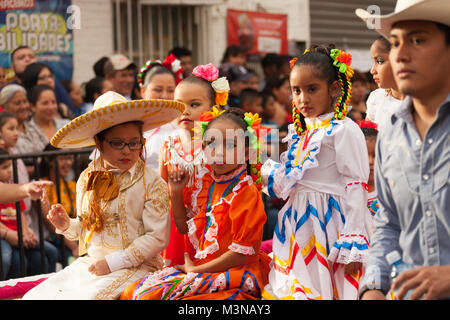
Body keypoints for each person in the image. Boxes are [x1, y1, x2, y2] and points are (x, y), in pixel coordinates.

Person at [22, 90, 184, 299]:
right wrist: (64, 225)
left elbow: (156, 238)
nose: (127, 150)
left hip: (137, 268)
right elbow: (85, 228)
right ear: (99, 143)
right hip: (91, 265)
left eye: (134, 143)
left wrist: (112, 263)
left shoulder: (152, 183)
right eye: (118, 143)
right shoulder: (86, 177)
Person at [121, 108, 270, 300]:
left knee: (148, 297)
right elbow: (183, 227)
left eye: (231, 145)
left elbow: (240, 254)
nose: (219, 152)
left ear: (248, 153)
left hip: (235, 273)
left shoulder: (245, 193)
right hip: (202, 269)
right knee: (130, 292)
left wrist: (196, 270)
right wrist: (175, 192)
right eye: (211, 143)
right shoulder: (205, 184)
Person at [355, 0, 450, 300]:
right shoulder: (391, 132)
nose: (402, 54)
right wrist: (372, 287)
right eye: (395, 43)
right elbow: (389, 223)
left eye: (418, 40)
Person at [261, 45, 370, 300]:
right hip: (298, 227)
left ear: (334, 89)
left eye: (312, 89)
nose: (302, 99)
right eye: (296, 91)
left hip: (330, 226)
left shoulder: (344, 129)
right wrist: (260, 169)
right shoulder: (300, 133)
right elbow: (288, 184)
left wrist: (353, 243)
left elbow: (356, 185)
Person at [158, 63, 226, 267]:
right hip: (178, 224)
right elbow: (163, 188)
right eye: (179, 105)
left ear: (214, 108)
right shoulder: (169, 144)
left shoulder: (219, 143)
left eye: (194, 105)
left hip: (213, 221)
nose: (185, 111)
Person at [0, 148, 57, 279]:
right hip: (7, 236)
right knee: (8, 258)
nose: (9, 170)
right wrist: (9, 234)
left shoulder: (11, 186)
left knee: (48, 253)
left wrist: (25, 231)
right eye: (4, 167)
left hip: (19, 234)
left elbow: (20, 212)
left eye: (10, 166)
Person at [137, 55, 184, 171]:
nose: (165, 96)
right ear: (143, 91)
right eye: (158, 90)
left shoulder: (184, 124)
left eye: (170, 90)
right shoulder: (131, 123)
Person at [39, 144, 79, 266]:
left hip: (74, 237)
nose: (68, 163)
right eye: (63, 158)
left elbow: (79, 217)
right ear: (50, 160)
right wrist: (74, 247)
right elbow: (50, 224)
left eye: (70, 158)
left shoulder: (72, 186)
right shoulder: (41, 186)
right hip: (55, 239)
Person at [16, 84, 70, 156]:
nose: (51, 107)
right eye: (45, 103)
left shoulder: (67, 125)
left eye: (53, 102)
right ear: (32, 107)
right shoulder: (27, 131)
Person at [365, 36, 404, 130]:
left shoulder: (421, 104)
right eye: (373, 61)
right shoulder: (377, 99)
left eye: (379, 61)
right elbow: (366, 139)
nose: (372, 70)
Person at [357, 119, 379, 234]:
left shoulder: (387, 194)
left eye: (375, 155)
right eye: (364, 155)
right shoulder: (347, 194)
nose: (370, 161)